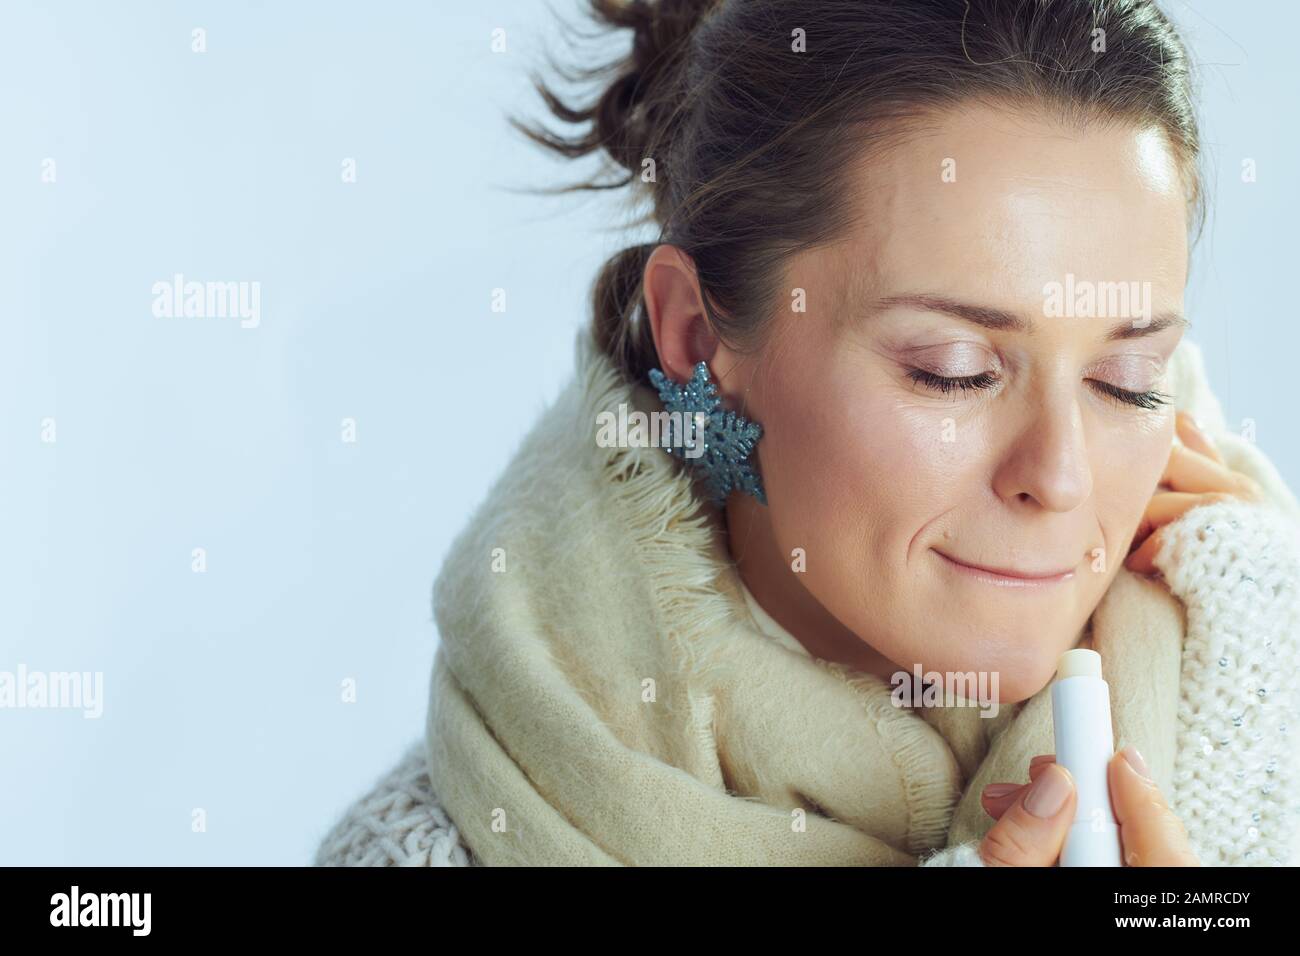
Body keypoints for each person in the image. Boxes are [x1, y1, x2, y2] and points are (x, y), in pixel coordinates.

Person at [315, 0, 1300, 867]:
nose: (1061, 474)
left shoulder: (1255, 683)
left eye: (1124, 379)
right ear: (700, 336)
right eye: (951, 370)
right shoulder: (434, 847)